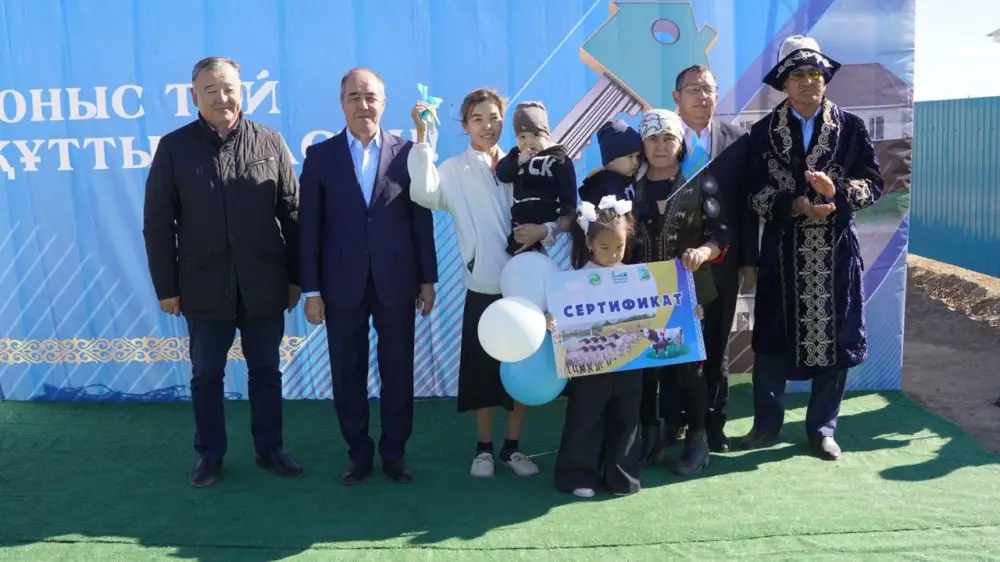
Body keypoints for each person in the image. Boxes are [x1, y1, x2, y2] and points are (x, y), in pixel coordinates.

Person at [142, 56, 303, 488]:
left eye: (228, 87)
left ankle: (270, 449)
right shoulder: (174, 148)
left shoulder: (269, 142)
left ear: (241, 91)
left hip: (264, 284)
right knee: (206, 376)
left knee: (266, 372)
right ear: (194, 96)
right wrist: (166, 287)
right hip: (203, 286)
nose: (221, 97)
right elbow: (158, 224)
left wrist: (295, 278)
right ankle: (210, 454)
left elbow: (293, 215)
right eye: (210, 90)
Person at [742, 35, 884, 460]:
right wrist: (794, 204)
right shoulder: (762, 132)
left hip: (834, 251)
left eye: (815, 73)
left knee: (834, 339)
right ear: (783, 83)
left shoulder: (852, 128)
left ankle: (823, 428)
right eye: (797, 74)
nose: (807, 81)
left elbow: (875, 184)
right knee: (771, 339)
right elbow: (752, 192)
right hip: (782, 251)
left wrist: (835, 191)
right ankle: (766, 425)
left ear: (825, 79)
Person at [298, 68, 438, 485]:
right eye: (354, 97)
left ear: (384, 102)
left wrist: (427, 280)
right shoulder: (320, 157)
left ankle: (395, 453)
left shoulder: (407, 152)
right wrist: (311, 289)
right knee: (348, 373)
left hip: (397, 281)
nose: (363, 105)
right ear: (342, 103)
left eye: (370, 96)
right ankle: (358, 453)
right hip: (340, 284)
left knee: (398, 372)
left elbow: (420, 221)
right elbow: (310, 228)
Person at [408, 89, 549, 478]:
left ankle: (512, 448)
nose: (488, 127)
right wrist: (422, 136)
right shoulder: (454, 170)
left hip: (527, 285)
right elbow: (422, 192)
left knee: (524, 369)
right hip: (484, 286)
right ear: (465, 125)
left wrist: (545, 230)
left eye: (494, 118)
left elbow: (551, 210)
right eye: (478, 119)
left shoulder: (526, 162)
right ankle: (484, 449)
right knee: (483, 372)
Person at [658, 65, 759, 453]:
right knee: (670, 341)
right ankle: (672, 420)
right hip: (669, 264)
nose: (702, 96)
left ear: (717, 95)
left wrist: (748, 260)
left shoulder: (737, 140)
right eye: (693, 89)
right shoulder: (660, 138)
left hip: (720, 260)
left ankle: (713, 422)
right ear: (676, 97)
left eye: (708, 89)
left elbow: (747, 206)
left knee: (715, 344)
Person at [633, 109, 729, 476]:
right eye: (653, 139)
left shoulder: (700, 181)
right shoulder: (630, 185)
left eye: (668, 138)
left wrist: (703, 251)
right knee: (644, 369)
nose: (660, 146)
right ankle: (650, 436)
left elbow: (722, 231)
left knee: (688, 369)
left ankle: (698, 439)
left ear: (681, 143)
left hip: (687, 293)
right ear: (642, 144)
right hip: (641, 294)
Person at [552, 195, 643, 498]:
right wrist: (553, 320)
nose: (613, 254)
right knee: (585, 418)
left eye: (619, 247)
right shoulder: (575, 281)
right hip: (589, 362)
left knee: (627, 418)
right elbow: (562, 317)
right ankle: (578, 475)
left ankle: (622, 476)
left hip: (630, 360)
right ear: (590, 242)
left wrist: (689, 312)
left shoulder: (637, 277)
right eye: (605, 247)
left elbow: (661, 310)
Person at [495, 101, 578, 255]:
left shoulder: (557, 158)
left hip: (545, 211)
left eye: (535, 135)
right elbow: (502, 174)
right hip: (521, 215)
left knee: (537, 242)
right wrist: (518, 162)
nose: (529, 142)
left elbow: (568, 186)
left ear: (546, 135)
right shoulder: (516, 155)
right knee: (517, 247)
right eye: (522, 137)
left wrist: (567, 213)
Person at [575, 118, 642, 268]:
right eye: (630, 157)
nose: (635, 162)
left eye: (638, 156)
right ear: (611, 158)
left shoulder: (630, 179)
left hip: (627, 251)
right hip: (607, 259)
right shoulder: (601, 185)